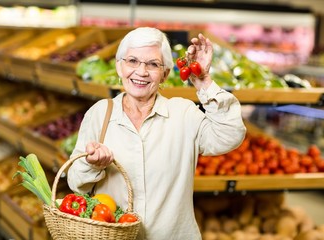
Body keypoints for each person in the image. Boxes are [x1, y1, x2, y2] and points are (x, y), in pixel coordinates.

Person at [67, 27, 246, 239]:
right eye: (132, 61)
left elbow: (230, 135)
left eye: (153, 64)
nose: (141, 72)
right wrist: (92, 165)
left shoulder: (183, 113)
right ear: (119, 66)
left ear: (165, 74)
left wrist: (204, 82)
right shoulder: (100, 113)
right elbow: (75, 182)